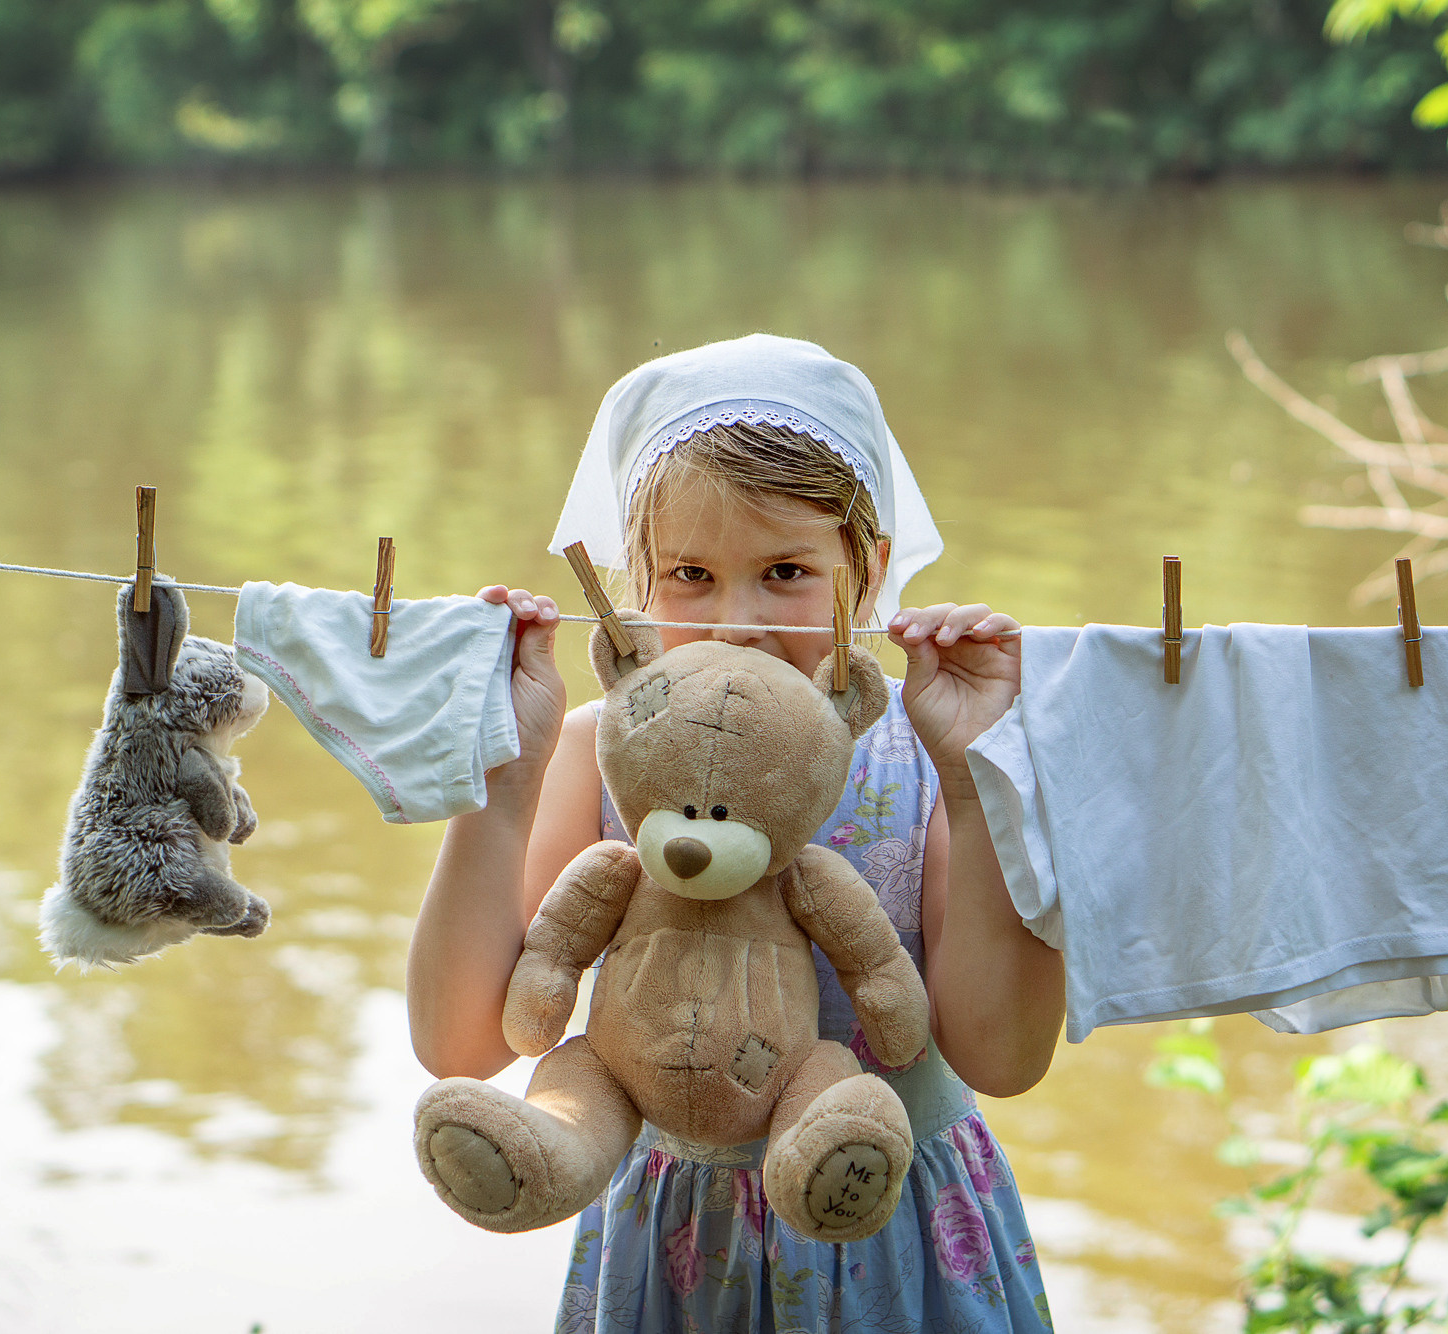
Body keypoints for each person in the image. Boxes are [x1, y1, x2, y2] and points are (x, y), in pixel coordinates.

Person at [406, 333, 1064, 1332]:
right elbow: (459, 1041)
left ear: (869, 572)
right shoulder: (592, 752)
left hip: (891, 1243)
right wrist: (499, 775)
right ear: (633, 581)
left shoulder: (926, 758)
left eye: (787, 570)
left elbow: (1002, 1056)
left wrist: (983, 783)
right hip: (670, 1253)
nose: (739, 620)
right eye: (690, 575)